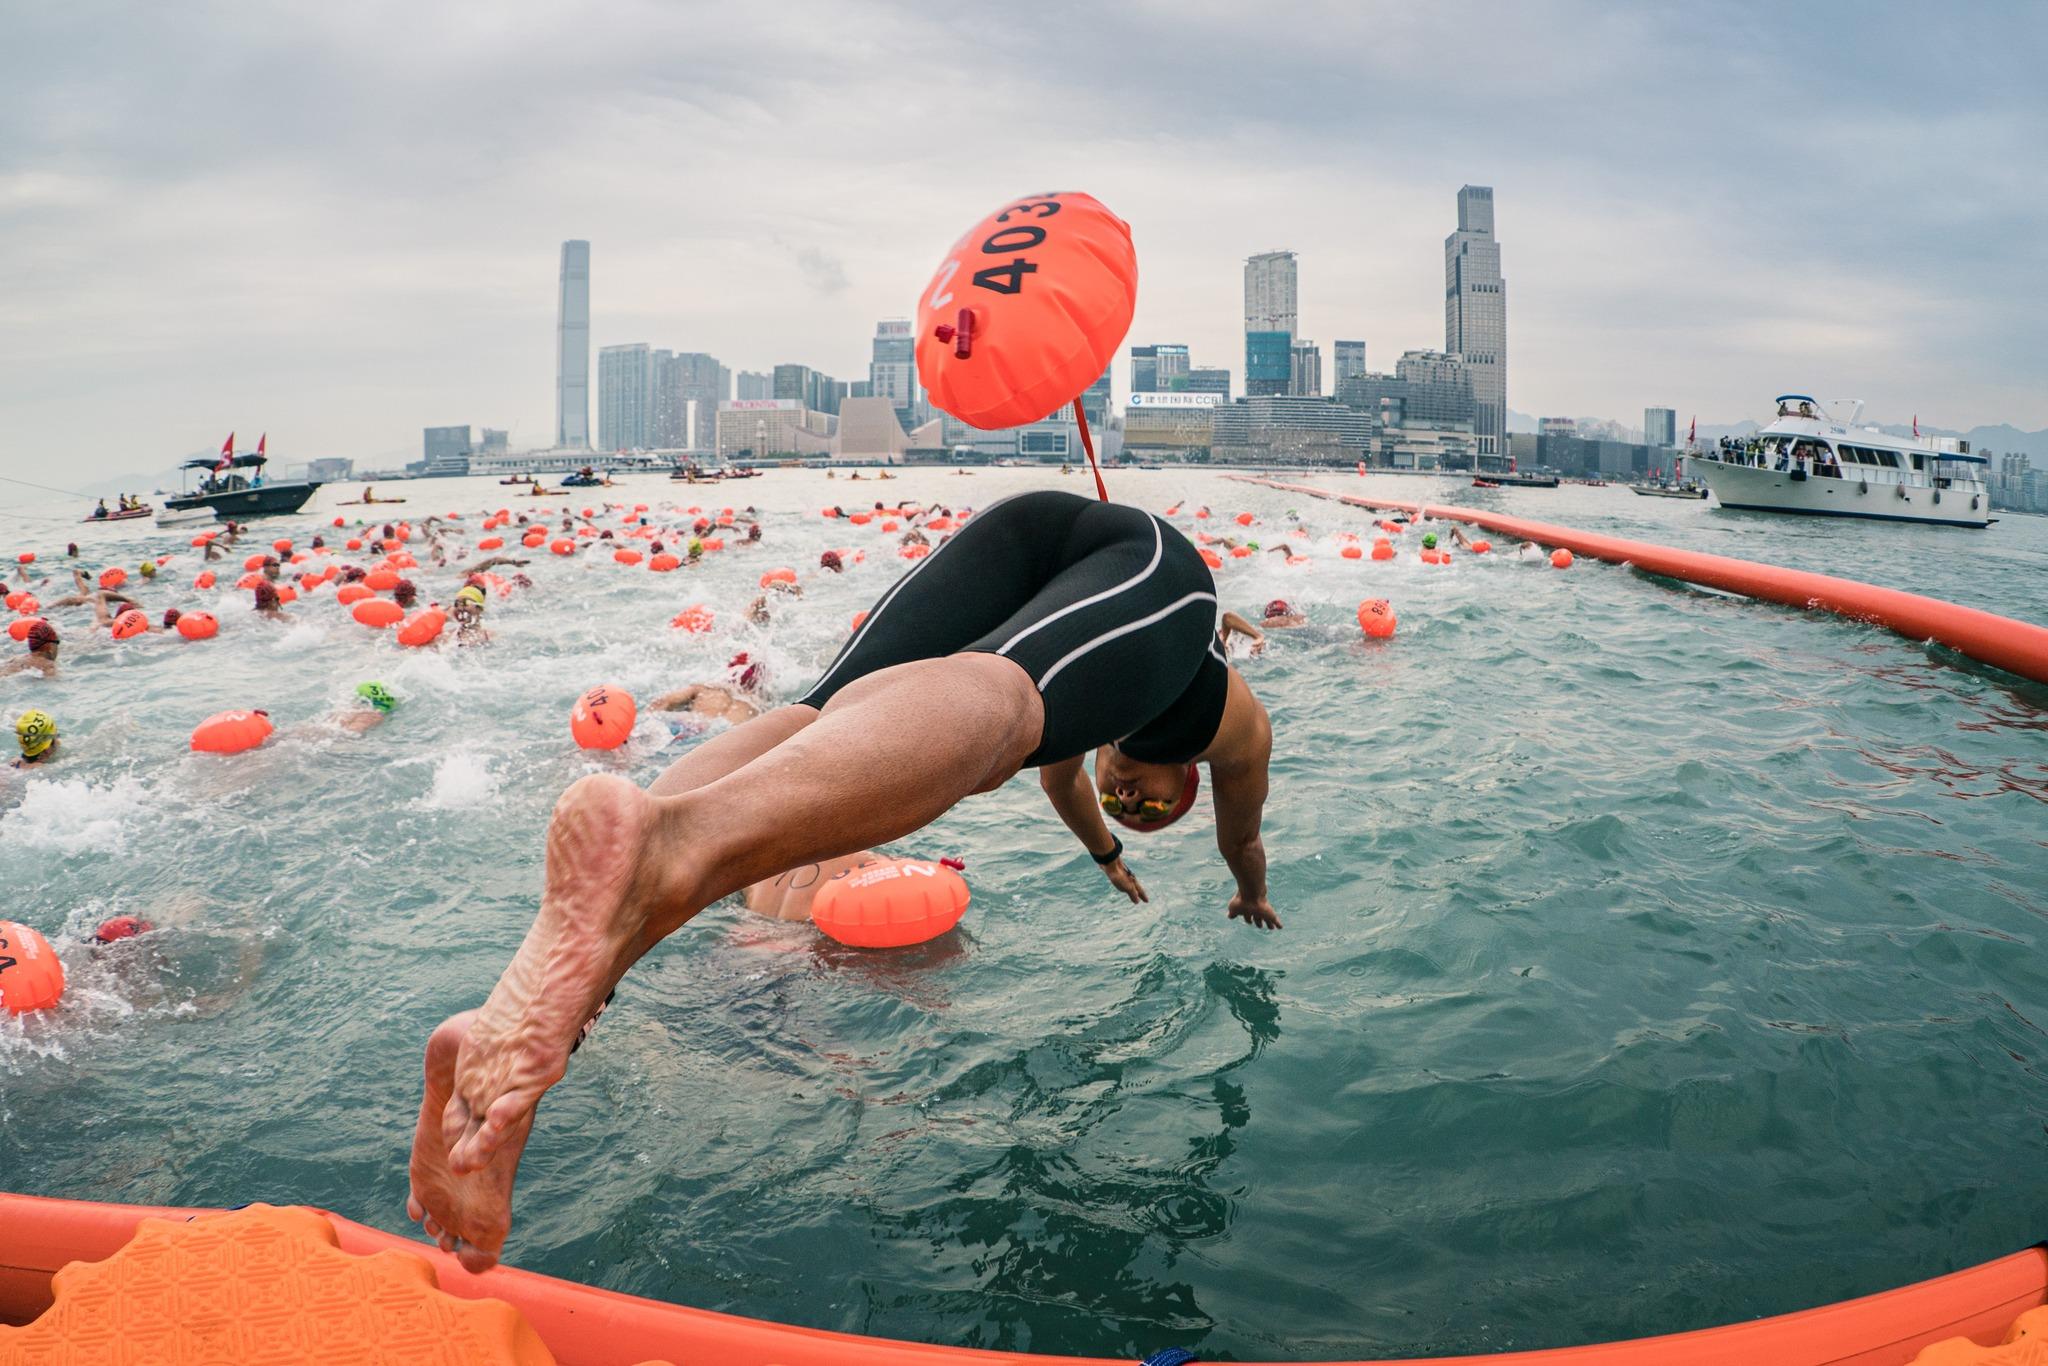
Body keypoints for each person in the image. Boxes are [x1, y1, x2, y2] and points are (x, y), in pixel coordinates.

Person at [406, 489, 1278, 1271]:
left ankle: (521, 1032)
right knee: (1007, 711)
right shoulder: (1233, 727)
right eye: (1143, 801)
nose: (1125, 795)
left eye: (1133, 809)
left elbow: (1077, 787)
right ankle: (670, 838)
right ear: (1187, 779)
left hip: (1016, 549)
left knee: (820, 718)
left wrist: (1115, 857)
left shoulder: (1112, 706)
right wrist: (1246, 885)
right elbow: (1234, 834)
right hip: (1134, 559)